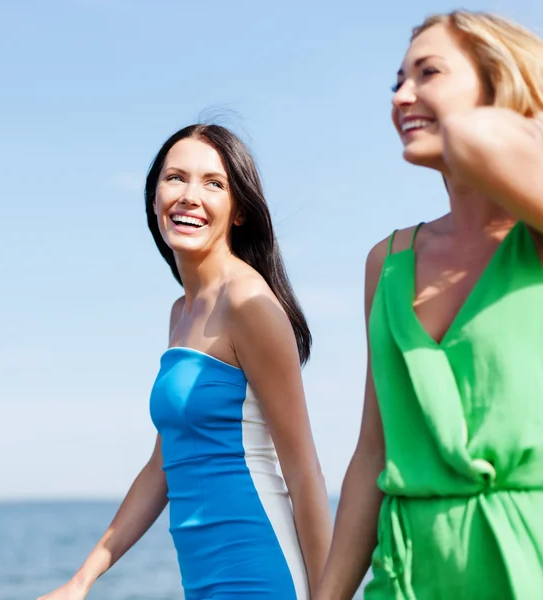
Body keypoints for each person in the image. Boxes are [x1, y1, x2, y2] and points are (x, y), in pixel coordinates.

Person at [38, 124, 332, 600]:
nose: (190, 196)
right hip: (203, 578)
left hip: (258, 570)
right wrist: (81, 581)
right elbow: (163, 465)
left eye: (213, 183)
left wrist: (330, 596)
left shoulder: (249, 304)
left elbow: (303, 471)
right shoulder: (181, 312)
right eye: (176, 178)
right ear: (154, 198)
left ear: (238, 211)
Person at [316, 10, 543, 600]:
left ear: (498, 83)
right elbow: (373, 452)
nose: (402, 96)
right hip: (408, 576)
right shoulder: (385, 261)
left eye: (428, 72)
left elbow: (489, 142)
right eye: (397, 80)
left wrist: (492, 116)